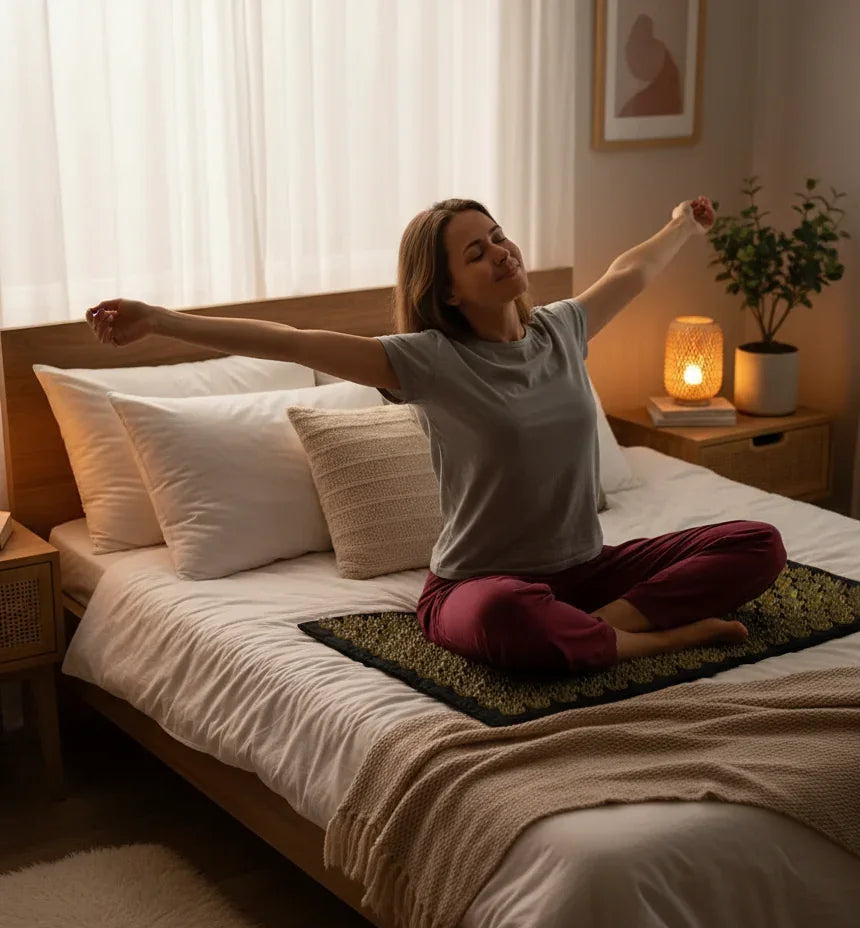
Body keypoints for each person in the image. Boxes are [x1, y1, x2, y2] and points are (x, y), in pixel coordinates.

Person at [85, 195, 786, 673]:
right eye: (476, 253)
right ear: (448, 289)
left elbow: (628, 272)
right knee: (510, 613)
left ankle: (601, 628)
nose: (500, 252)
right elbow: (292, 341)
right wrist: (163, 319)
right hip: (476, 586)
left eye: (498, 236)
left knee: (757, 544)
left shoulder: (562, 331)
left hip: (585, 573)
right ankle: (646, 641)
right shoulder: (429, 360)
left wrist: (681, 225)